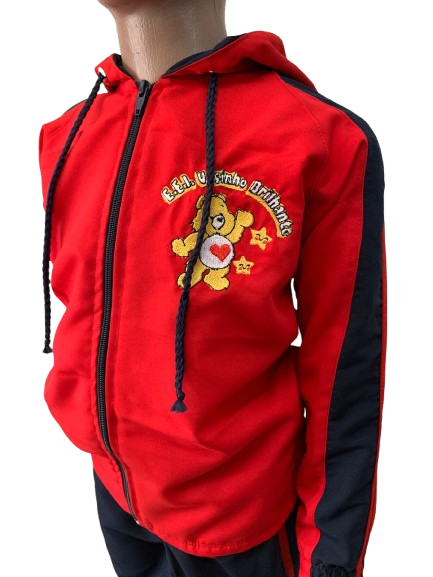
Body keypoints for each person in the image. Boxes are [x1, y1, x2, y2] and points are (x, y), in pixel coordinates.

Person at [39, 1, 387, 576]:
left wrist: (331, 554)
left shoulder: (317, 137)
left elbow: (345, 369)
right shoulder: (67, 135)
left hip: (242, 525)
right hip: (118, 497)